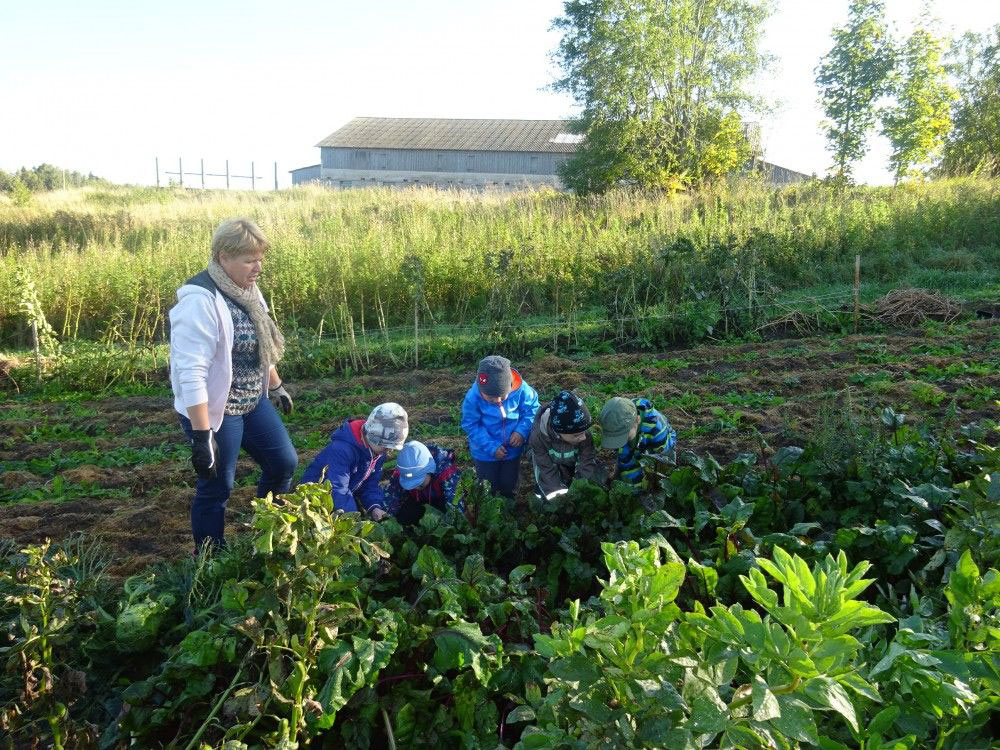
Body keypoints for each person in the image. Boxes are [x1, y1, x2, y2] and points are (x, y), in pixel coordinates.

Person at [169, 218, 298, 551]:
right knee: (217, 484)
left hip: (252, 400)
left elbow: (261, 345)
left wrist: (275, 385)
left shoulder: (249, 292)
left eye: (260, 258)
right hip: (216, 409)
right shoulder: (200, 301)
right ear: (224, 257)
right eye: (249, 259)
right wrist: (202, 435)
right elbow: (192, 372)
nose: (258, 267)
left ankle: (268, 533)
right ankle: (210, 555)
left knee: (283, 463)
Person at [299, 403, 408, 519]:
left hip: (341, 498)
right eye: (386, 446)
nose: (389, 450)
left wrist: (374, 506)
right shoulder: (342, 450)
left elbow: (370, 483)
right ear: (373, 437)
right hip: (314, 499)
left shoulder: (377, 453)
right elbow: (337, 489)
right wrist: (352, 520)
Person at [460, 355, 539, 500]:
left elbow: (532, 410)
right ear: (480, 387)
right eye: (490, 398)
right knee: (488, 486)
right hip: (485, 454)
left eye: (502, 397)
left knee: (509, 484)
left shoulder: (522, 390)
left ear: (509, 385)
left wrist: (521, 431)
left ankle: (508, 507)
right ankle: (489, 511)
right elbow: (471, 425)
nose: (497, 401)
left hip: (512, 450)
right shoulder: (473, 397)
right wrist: (491, 447)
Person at [529, 390, 606, 500]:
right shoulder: (538, 437)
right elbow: (545, 468)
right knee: (546, 494)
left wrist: (579, 490)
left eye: (585, 432)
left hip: (572, 464)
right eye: (576, 435)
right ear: (559, 432)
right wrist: (559, 500)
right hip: (553, 464)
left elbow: (587, 461)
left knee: (595, 477)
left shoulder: (581, 432)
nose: (583, 437)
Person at [599, 396, 677, 490]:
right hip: (636, 441)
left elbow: (664, 458)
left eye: (623, 435)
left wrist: (657, 483)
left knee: (658, 467)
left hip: (661, 443)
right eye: (616, 437)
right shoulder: (618, 426)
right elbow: (627, 463)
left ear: (638, 420)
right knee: (625, 469)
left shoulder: (656, 428)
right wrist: (636, 489)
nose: (620, 440)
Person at [384, 440, 462, 525]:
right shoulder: (402, 472)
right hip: (417, 503)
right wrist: (387, 519)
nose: (416, 488)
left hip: (440, 503)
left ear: (430, 470)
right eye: (410, 485)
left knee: (450, 514)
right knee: (402, 514)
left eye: (420, 483)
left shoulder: (446, 472)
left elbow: (455, 504)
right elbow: (391, 498)